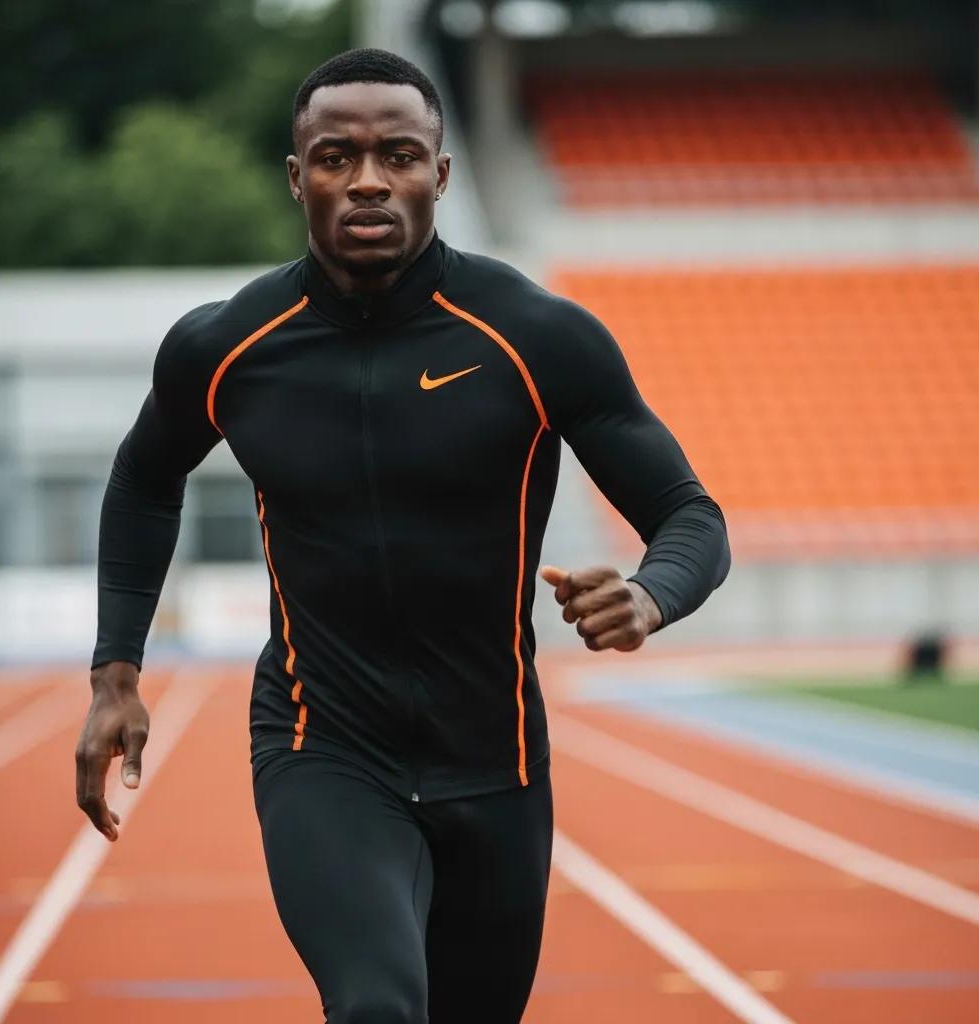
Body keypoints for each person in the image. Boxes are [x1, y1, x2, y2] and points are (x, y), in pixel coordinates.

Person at [74, 48, 730, 1024]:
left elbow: (691, 517)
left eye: (399, 155)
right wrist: (115, 673)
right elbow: (143, 475)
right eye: (336, 156)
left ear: (441, 174)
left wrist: (648, 593)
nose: (369, 179)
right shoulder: (227, 346)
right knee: (377, 1005)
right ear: (298, 177)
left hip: (496, 761)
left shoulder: (535, 335)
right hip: (321, 745)